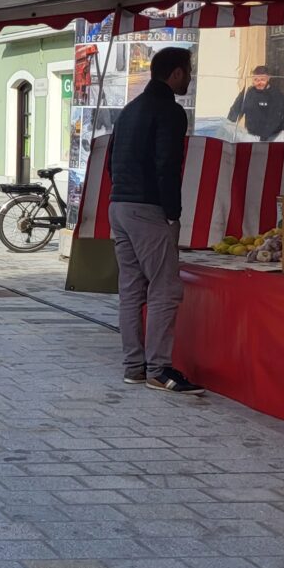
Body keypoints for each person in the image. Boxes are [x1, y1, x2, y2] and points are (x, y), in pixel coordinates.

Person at [109, 46, 203, 395]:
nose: (190, 79)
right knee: (165, 289)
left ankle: (134, 366)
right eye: (188, 72)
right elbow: (167, 165)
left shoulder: (129, 110)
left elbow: (109, 161)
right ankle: (159, 369)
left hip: (118, 204)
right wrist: (172, 214)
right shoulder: (170, 111)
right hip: (147, 208)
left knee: (131, 289)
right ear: (176, 73)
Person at [227, 65, 284, 142]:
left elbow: (275, 119)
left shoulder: (276, 95)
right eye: (256, 79)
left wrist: (264, 137)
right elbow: (236, 109)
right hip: (252, 136)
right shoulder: (248, 93)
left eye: (262, 79)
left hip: (273, 137)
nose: (259, 83)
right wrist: (228, 126)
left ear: (268, 78)